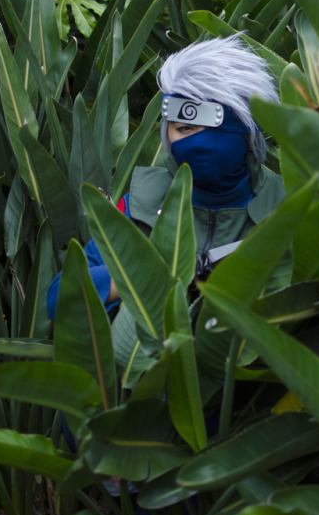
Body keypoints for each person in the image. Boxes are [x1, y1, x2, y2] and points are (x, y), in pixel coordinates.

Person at [46, 34, 286, 320]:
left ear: (245, 131)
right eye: (183, 129)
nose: (195, 142)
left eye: (207, 127)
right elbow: (59, 296)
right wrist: (145, 274)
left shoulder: (286, 207)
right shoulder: (141, 204)